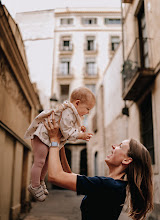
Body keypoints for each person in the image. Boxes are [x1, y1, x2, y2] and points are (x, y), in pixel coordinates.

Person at [44, 112, 154, 220]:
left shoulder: (107, 185)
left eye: (120, 146)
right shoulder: (114, 185)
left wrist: (54, 139)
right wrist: (61, 143)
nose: (113, 146)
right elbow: (68, 175)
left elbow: (55, 176)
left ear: (127, 160)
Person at [24, 87, 96, 202]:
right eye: (87, 109)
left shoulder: (72, 112)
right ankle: (34, 185)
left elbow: (68, 126)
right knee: (40, 161)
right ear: (77, 103)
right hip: (42, 136)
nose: (88, 112)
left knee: (47, 162)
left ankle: (41, 181)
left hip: (47, 138)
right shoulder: (68, 112)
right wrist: (80, 135)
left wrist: (79, 128)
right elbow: (66, 132)